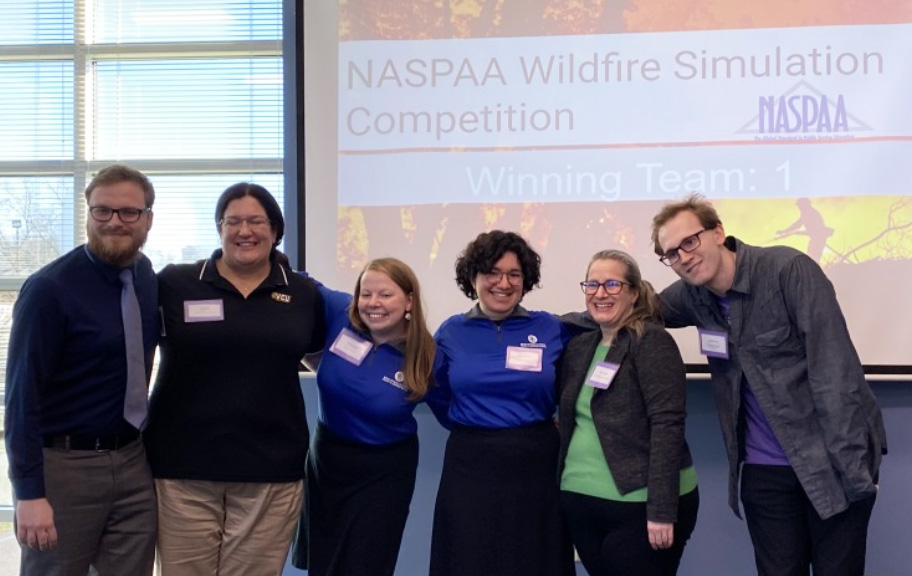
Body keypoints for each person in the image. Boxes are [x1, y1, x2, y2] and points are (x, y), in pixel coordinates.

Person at [651, 194, 887, 576]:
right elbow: (630, 304)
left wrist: (854, 470)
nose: (684, 257)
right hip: (764, 476)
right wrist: (555, 322)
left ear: (717, 232)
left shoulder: (788, 271)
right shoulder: (693, 296)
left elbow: (836, 372)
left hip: (830, 462)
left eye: (689, 241)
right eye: (671, 253)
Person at [143, 182, 325, 575]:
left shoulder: (303, 293)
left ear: (275, 230)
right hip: (181, 469)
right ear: (219, 227)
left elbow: (322, 357)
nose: (245, 231)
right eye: (234, 221)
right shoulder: (175, 284)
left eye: (257, 221)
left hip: (271, 474)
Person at [4, 164, 158, 575]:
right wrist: (29, 493)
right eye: (102, 211)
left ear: (148, 219)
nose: (114, 222)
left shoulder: (145, 277)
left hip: (132, 460)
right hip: (64, 467)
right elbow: (21, 399)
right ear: (88, 213)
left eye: (128, 212)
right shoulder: (49, 290)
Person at [429, 230, 575, 576]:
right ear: (473, 278)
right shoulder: (451, 332)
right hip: (470, 463)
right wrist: (470, 423)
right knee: (469, 556)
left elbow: (575, 380)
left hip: (536, 461)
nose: (503, 283)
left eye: (514, 274)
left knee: (536, 558)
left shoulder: (552, 328)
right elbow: (435, 391)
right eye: (492, 273)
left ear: (526, 281)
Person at [291, 257, 449, 576]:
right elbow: (299, 280)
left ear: (409, 301)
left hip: (384, 473)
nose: (373, 303)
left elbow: (455, 412)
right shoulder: (339, 313)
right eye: (366, 294)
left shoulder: (427, 355)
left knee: (366, 562)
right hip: (327, 461)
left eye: (385, 295)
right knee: (323, 561)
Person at [557, 249, 699, 576]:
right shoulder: (580, 347)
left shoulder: (651, 341)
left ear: (634, 293)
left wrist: (662, 510)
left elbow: (668, 425)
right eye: (592, 285)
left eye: (612, 284)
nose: (600, 293)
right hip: (580, 503)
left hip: (640, 507)